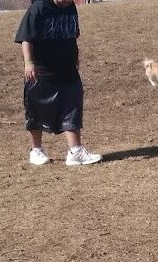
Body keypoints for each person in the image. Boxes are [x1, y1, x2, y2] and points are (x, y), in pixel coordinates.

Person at [14, 0, 101, 166]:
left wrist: (75, 57)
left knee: (72, 106)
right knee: (36, 110)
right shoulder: (38, 7)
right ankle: (36, 150)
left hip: (67, 69)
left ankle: (75, 152)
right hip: (42, 71)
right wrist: (28, 62)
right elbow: (26, 37)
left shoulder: (70, 7)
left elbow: (72, 35)